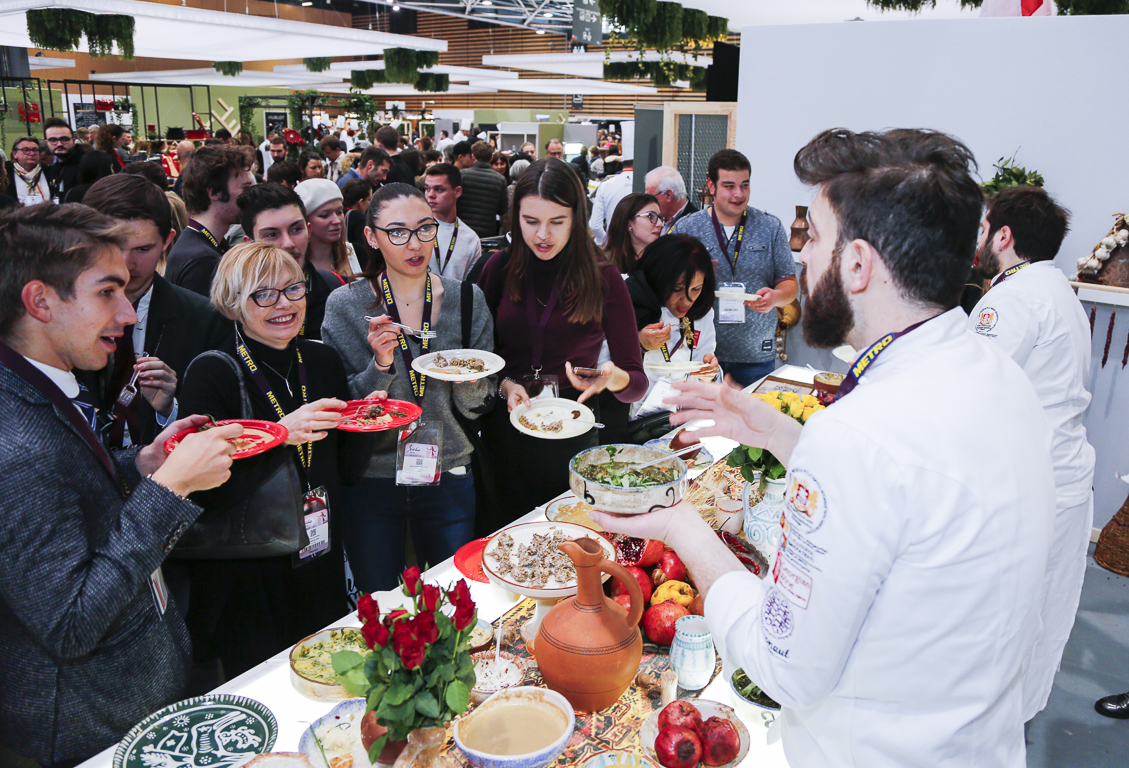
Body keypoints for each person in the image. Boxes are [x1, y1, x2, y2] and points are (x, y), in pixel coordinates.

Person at [595, 128, 1056, 768]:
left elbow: (784, 663)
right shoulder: (998, 374)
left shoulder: (862, 436)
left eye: (812, 238)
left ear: (858, 264)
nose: (802, 259)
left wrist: (682, 527)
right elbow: (902, 498)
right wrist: (781, 435)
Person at [0, 203, 238, 767]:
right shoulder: (16, 446)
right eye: (108, 292)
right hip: (92, 726)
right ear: (40, 302)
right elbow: (70, 622)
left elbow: (71, 494)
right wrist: (169, 491)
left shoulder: (39, 386)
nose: (129, 313)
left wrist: (142, 464)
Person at [176, 242, 374, 680]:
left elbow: (346, 471)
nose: (283, 304)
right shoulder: (212, 372)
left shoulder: (321, 360)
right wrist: (282, 434)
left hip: (318, 550)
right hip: (248, 569)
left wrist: (368, 422)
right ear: (233, 303)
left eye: (292, 289)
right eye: (263, 294)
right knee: (265, 682)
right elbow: (205, 492)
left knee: (328, 673)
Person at [321, 182, 495, 592]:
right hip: (373, 474)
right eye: (397, 232)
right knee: (379, 600)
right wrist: (380, 366)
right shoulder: (346, 305)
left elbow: (480, 403)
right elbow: (342, 405)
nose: (415, 244)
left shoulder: (467, 300)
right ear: (371, 237)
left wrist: (468, 381)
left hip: (449, 467)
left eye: (424, 229)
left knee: (454, 595)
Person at [966, 185, 1097, 721]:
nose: (978, 239)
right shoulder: (1058, 289)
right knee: (1043, 616)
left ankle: (987, 729)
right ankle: (1012, 721)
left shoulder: (1011, 298)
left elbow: (970, 391)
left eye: (983, 229)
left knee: (1007, 620)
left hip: (1031, 487)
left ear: (1003, 236)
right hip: (1065, 476)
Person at [476, 158, 646, 525]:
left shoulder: (603, 277)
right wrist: (504, 384)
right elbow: (477, 359)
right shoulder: (497, 269)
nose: (543, 235)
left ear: (576, 218)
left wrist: (613, 379)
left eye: (557, 222)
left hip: (572, 427)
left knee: (565, 535)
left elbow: (636, 383)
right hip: (503, 427)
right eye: (531, 221)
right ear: (515, 218)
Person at [78, 174, 231, 448]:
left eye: (142, 249)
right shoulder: (58, 315)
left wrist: (170, 409)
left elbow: (221, 419)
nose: (126, 264)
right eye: (113, 247)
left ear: (167, 240)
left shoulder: (204, 320)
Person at [672, 149, 797, 387]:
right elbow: (667, 286)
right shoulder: (687, 228)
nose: (739, 194)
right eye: (729, 186)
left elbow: (789, 283)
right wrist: (695, 276)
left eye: (744, 185)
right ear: (711, 186)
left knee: (751, 411)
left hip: (755, 355)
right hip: (699, 354)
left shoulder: (770, 227)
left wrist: (775, 297)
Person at [624, 234, 718, 441]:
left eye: (696, 289)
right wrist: (639, 345)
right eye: (676, 289)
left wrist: (709, 372)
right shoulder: (629, 303)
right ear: (658, 279)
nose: (687, 300)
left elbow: (704, 360)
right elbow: (602, 364)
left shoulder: (702, 313)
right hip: (630, 424)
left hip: (679, 423)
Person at [236, 182, 345, 340]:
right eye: (272, 235)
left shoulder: (335, 291)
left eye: (296, 229)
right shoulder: (236, 304)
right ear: (250, 244)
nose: (288, 243)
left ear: (309, 231)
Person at [166, 145, 255, 296]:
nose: (252, 196)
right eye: (246, 189)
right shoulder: (201, 260)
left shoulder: (206, 244)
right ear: (214, 192)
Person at [423, 163, 483, 280]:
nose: (430, 195)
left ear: (457, 192)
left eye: (439, 189)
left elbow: (470, 285)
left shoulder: (470, 238)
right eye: (427, 189)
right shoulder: (415, 229)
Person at [296, 178, 360, 278]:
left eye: (339, 212)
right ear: (305, 221)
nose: (336, 221)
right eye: (325, 215)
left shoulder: (357, 253)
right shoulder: (293, 265)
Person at [457, 141, 508, 240]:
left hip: (463, 229)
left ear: (473, 156)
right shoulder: (500, 180)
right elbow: (502, 210)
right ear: (491, 158)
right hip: (487, 232)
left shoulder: (461, 175)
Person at [605, 192, 663, 274]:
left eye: (660, 217)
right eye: (650, 216)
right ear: (629, 224)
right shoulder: (604, 266)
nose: (660, 223)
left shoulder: (663, 261)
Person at [588, 156, 634, 247]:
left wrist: (606, 242)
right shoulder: (648, 183)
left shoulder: (606, 185)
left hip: (615, 245)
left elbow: (594, 225)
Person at [41, 117, 86, 201]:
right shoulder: (53, 169)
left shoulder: (87, 164)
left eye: (64, 139)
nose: (59, 144)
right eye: (53, 140)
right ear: (47, 142)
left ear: (73, 141)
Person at [645, 165, 699, 233]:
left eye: (651, 198)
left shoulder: (695, 224)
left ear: (668, 195)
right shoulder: (656, 219)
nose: (648, 203)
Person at [7, 136, 51, 206]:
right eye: (26, 150)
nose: (32, 153)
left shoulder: (49, 171)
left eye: (35, 150)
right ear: (15, 154)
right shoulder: (6, 172)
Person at [342, 179, 375, 272]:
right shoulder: (357, 216)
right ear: (360, 202)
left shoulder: (341, 212)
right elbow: (364, 246)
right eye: (369, 200)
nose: (370, 203)